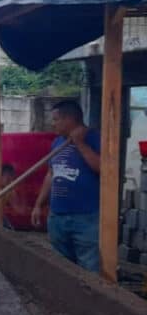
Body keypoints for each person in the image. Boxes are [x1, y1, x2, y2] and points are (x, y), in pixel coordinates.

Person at [31, 100, 101, 272]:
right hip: (58, 216)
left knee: (89, 267)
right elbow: (51, 173)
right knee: (62, 267)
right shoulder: (57, 143)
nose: (52, 124)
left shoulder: (94, 138)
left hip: (86, 217)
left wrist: (80, 143)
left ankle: (87, 300)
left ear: (69, 119)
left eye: (56, 120)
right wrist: (39, 205)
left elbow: (103, 169)